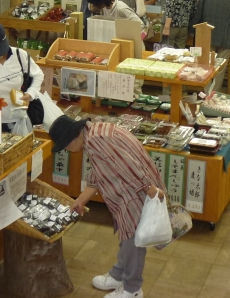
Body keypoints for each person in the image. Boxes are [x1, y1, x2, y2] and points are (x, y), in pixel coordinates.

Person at [49, 116, 165, 298]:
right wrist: (81, 199)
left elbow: (128, 167)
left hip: (136, 190)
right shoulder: (95, 132)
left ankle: (132, 289)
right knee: (128, 235)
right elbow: (98, 172)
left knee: (133, 239)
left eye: (65, 145)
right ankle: (119, 274)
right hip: (132, 190)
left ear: (72, 138)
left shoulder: (96, 141)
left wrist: (151, 191)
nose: (67, 150)